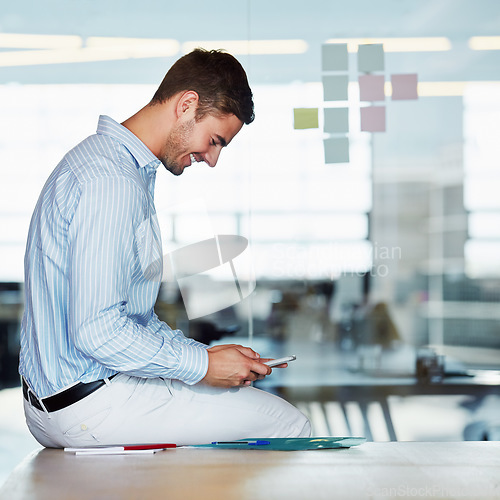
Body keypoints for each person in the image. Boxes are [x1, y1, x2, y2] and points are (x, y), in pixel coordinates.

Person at [19, 48, 311, 448]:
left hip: (66, 400)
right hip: (89, 406)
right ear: (187, 104)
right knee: (287, 424)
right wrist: (202, 366)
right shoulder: (113, 182)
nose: (212, 160)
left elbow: (130, 320)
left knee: (232, 419)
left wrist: (204, 358)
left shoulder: (107, 165)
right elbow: (98, 332)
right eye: (214, 140)